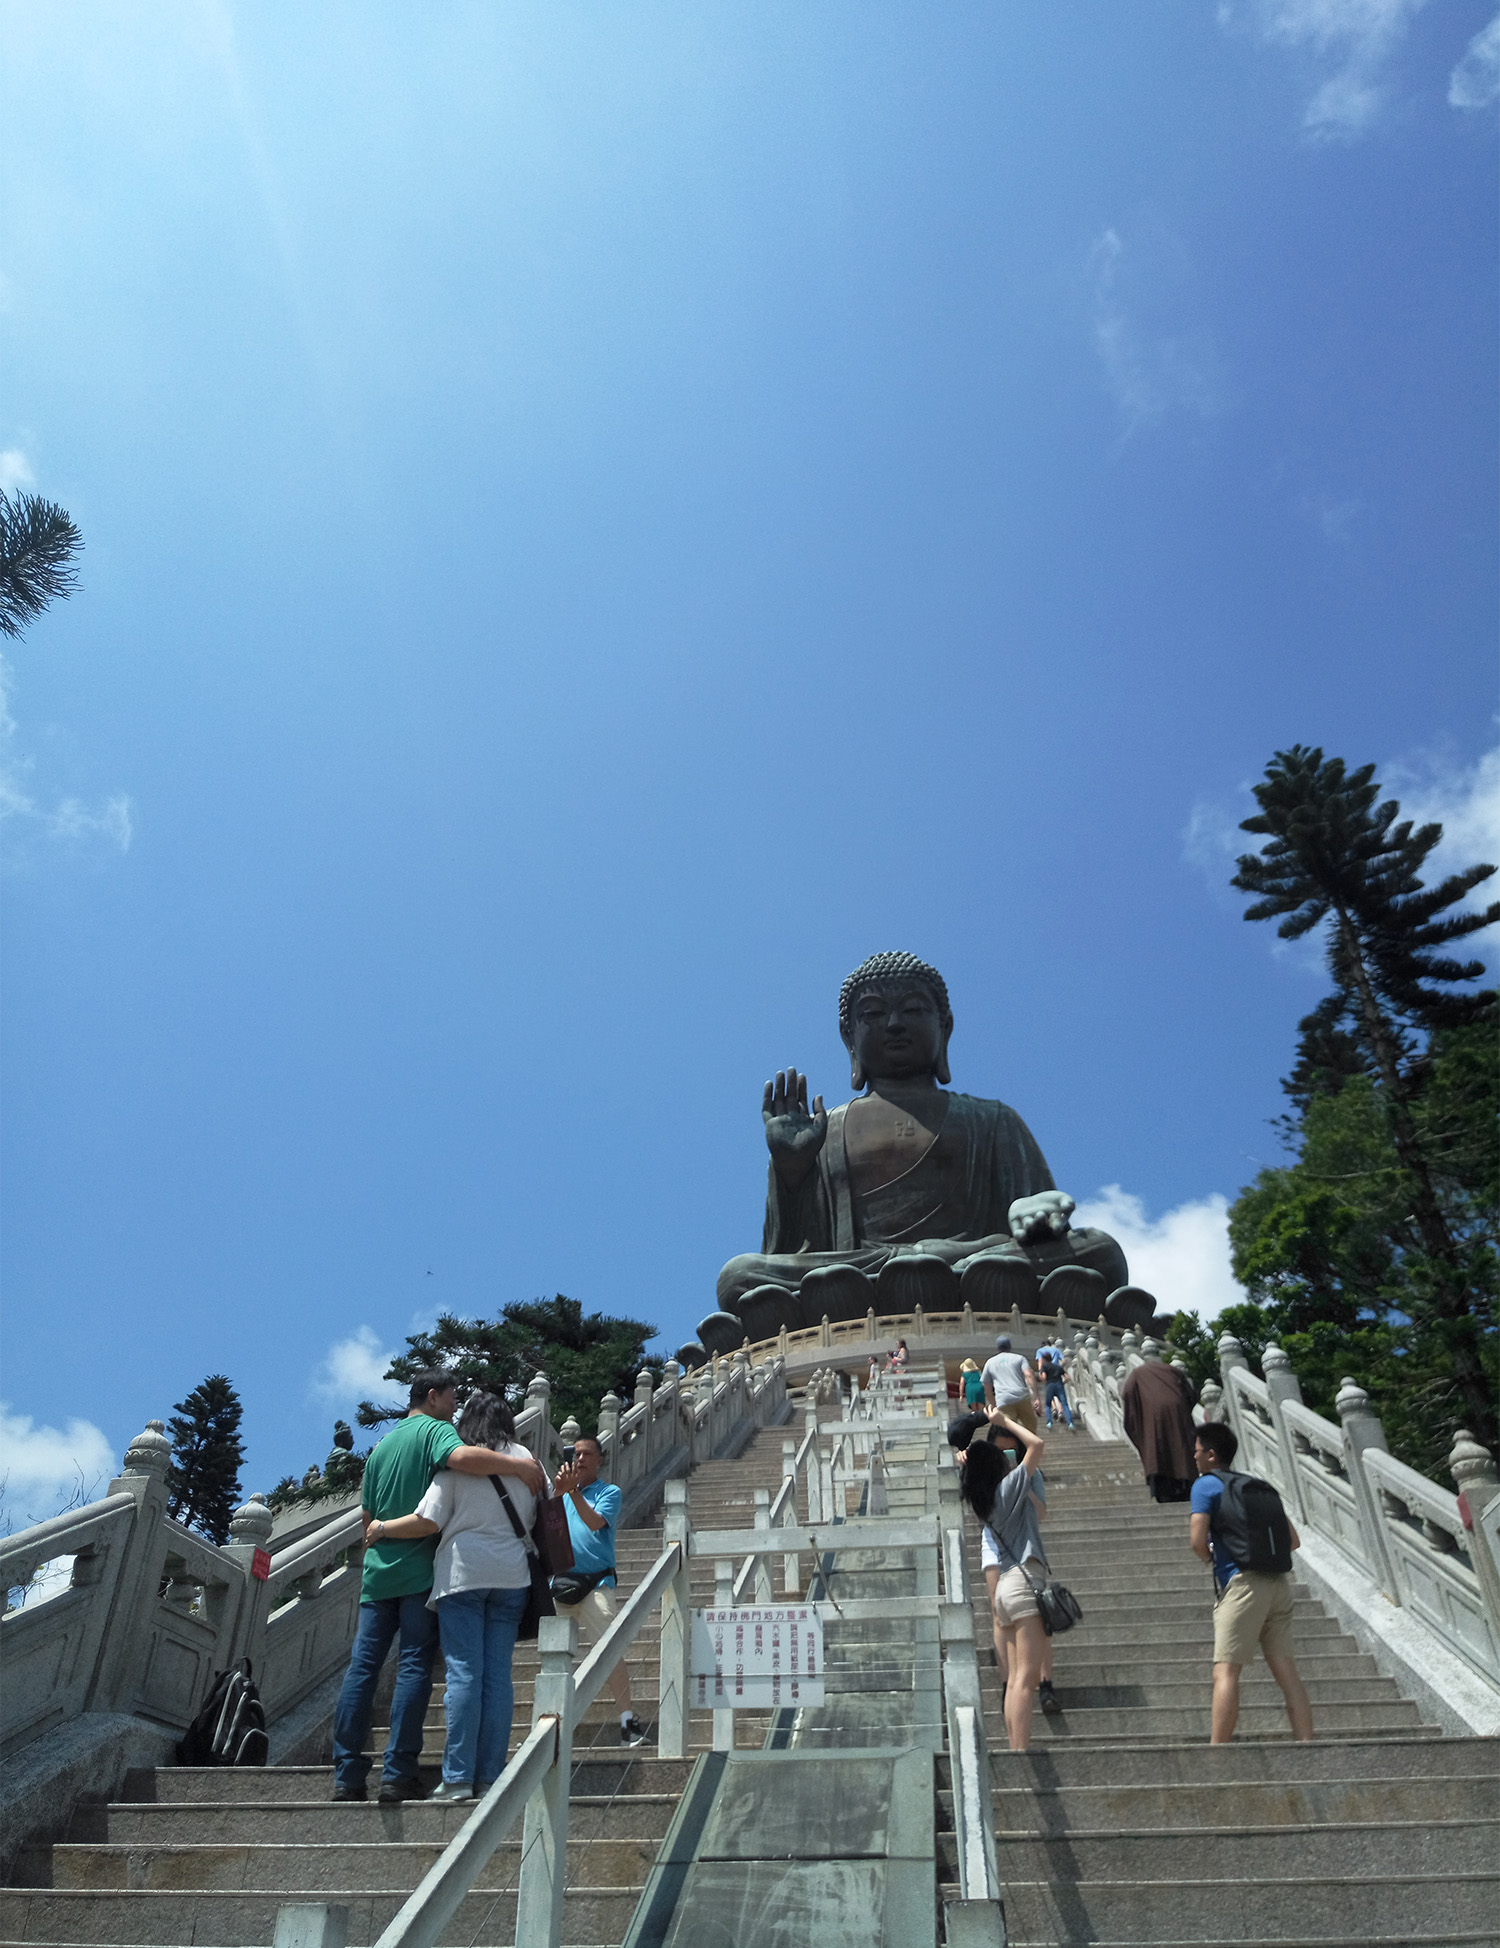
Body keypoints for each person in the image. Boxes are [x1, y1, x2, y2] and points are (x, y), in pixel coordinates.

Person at [702, 951, 1139, 1359]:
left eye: (913, 1010)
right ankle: (936, 1274)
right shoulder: (825, 1129)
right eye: (873, 1014)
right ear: (849, 1036)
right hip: (865, 1271)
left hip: (975, 1259)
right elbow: (792, 1250)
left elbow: (1041, 1222)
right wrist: (792, 1170)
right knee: (738, 1276)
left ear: (944, 1028)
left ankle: (945, 1271)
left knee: (1100, 1251)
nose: (894, 1024)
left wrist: (1034, 1212)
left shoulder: (991, 1119)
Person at [332, 1369, 547, 1804]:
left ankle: (352, 1775)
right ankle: (413, 1774)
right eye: (450, 1399)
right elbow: (526, 1508)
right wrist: (522, 1466)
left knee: (365, 1669)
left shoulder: (380, 1450)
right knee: (463, 1672)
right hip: (460, 1574)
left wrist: (380, 1531)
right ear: (432, 1397)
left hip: (396, 1575)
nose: (453, 1410)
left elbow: (372, 1519)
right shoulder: (444, 1438)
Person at [1190, 1421, 1313, 1745]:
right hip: (1278, 1586)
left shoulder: (1205, 1485)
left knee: (1225, 1672)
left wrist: (1210, 1558)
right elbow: (1293, 1541)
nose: (1194, 1456)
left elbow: (1197, 1540)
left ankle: (1218, 1756)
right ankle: (1307, 1745)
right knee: (1288, 1676)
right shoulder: (1256, 1485)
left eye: (1197, 1451)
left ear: (1211, 1455)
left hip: (1243, 1586)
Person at [960, 1413, 1049, 1749]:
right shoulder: (1008, 1488)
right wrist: (1004, 1420)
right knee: (1027, 1678)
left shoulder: (985, 1500)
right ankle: (1021, 1751)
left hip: (1005, 1590)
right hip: (1023, 1581)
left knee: (1013, 1680)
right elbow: (1036, 1444)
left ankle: (1015, 1747)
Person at [552, 1434, 646, 1746]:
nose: (579, 1459)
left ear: (600, 1459)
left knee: (609, 1650)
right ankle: (548, 1728)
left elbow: (594, 1523)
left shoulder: (609, 1492)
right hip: (561, 1583)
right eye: (575, 1454)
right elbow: (548, 1529)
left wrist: (572, 1492)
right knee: (553, 1655)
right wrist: (558, 1493)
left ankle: (627, 1721)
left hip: (597, 1583)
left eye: (586, 1455)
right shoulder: (562, 1492)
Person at [1120, 1341, 1197, 1500]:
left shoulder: (1138, 1374)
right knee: (1180, 1447)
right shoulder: (1173, 1371)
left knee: (1155, 1449)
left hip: (1153, 1420)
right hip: (1178, 1415)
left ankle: (1162, 1490)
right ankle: (1185, 1485)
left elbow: (1126, 1393)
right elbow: (1191, 1395)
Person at [982, 1336, 1040, 1434]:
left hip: (1003, 1400)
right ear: (1010, 1347)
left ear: (997, 1348)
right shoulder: (1020, 1358)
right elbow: (1029, 1375)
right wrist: (1036, 1397)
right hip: (1022, 1397)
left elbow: (986, 1386)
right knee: (1031, 1430)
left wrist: (993, 1404)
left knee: (1009, 1432)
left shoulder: (990, 1362)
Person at [1036, 1339, 1074, 1432]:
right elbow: (1066, 1374)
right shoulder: (1057, 1352)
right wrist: (1063, 1381)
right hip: (1059, 1382)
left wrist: (1043, 1378)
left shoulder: (1041, 1353)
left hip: (1050, 1383)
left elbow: (1042, 1369)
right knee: (1064, 1403)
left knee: (1048, 1404)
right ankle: (1070, 1423)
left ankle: (1049, 1422)